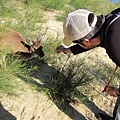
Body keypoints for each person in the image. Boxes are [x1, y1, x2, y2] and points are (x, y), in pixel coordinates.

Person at [55, 8, 120, 120]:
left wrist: (116, 92)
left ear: (86, 41)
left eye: (77, 42)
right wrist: (66, 50)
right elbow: (91, 43)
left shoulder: (114, 45)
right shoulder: (111, 18)